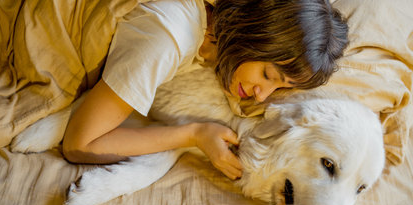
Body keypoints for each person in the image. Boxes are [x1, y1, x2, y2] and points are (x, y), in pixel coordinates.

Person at [62, 0, 349, 180]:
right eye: (267, 74)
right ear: (253, 33)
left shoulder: (226, 20)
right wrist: (194, 134)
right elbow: (80, 144)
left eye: (280, 86)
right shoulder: (166, 40)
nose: (262, 95)